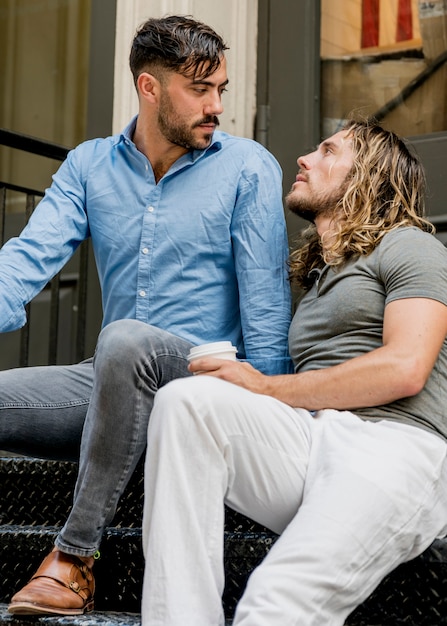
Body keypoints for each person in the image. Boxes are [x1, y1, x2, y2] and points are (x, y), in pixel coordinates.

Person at [5, 15, 292, 616]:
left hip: (206, 384)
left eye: (221, 90)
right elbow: (24, 261)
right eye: (199, 90)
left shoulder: (247, 167)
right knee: (119, 349)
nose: (216, 106)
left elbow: (265, 303)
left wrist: (275, 416)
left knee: (125, 339)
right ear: (149, 87)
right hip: (111, 382)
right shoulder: (88, 167)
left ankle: (74, 560)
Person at [140, 119, 447, 626]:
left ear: (369, 176)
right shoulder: (321, 277)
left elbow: (405, 368)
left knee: (274, 602)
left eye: (328, 151)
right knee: (185, 403)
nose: (305, 158)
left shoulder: (410, 247)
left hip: (398, 447)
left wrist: (262, 386)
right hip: (313, 439)